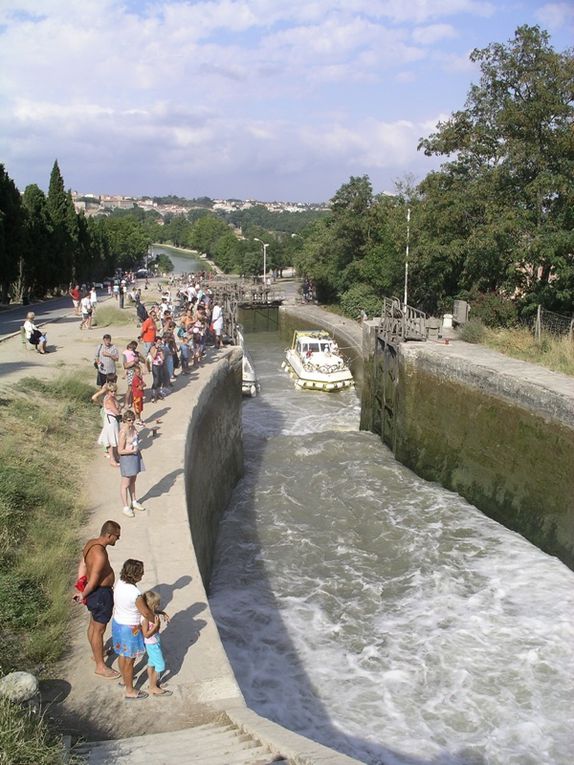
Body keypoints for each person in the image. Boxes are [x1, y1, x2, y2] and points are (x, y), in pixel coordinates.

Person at [77, 520, 122, 680]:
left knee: (93, 625)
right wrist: (83, 594)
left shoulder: (91, 544)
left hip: (94, 594)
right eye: (116, 537)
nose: (117, 539)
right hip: (100, 594)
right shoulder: (100, 554)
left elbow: (82, 565)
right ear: (108, 535)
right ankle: (100, 666)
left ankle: (98, 654)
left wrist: (81, 586)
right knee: (99, 630)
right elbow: (95, 579)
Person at [112, 559, 156, 700]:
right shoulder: (135, 593)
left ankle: (124, 680)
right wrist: (154, 620)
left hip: (118, 624)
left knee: (121, 654)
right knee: (130, 660)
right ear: (135, 575)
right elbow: (145, 612)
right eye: (141, 572)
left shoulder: (120, 582)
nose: (143, 574)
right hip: (130, 628)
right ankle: (130, 690)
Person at [141, 591, 172, 697]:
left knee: (152, 663)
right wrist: (156, 626)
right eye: (156, 605)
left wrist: (162, 613)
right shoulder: (145, 618)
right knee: (160, 665)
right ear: (149, 605)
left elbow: (155, 612)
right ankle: (153, 687)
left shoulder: (150, 612)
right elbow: (146, 634)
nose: (158, 606)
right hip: (152, 644)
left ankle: (152, 683)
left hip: (153, 644)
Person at [118, 410, 145, 517]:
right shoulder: (123, 433)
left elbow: (135, 437)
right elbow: (120, 451)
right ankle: (125, 507)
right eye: (129, 420)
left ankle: (134, 501)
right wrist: (132, 451)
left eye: (133, 420)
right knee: (125, 484)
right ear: (124, 420)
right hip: (127, 459)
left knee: (133, 480)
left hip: (135, 456)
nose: (131, 422)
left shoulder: (132, 428)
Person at [95, 383, 122, 466]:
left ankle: (116, 456)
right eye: (111, 391)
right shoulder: (109, 399)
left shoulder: (111, 397)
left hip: (112, 420)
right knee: (111, 440)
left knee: (114, 439)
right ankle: (112, 459)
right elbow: (117, 411)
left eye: (115, 391)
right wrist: (119, 410)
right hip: (111, 421)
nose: (113, 392)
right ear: (108, 391)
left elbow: (119, 408)